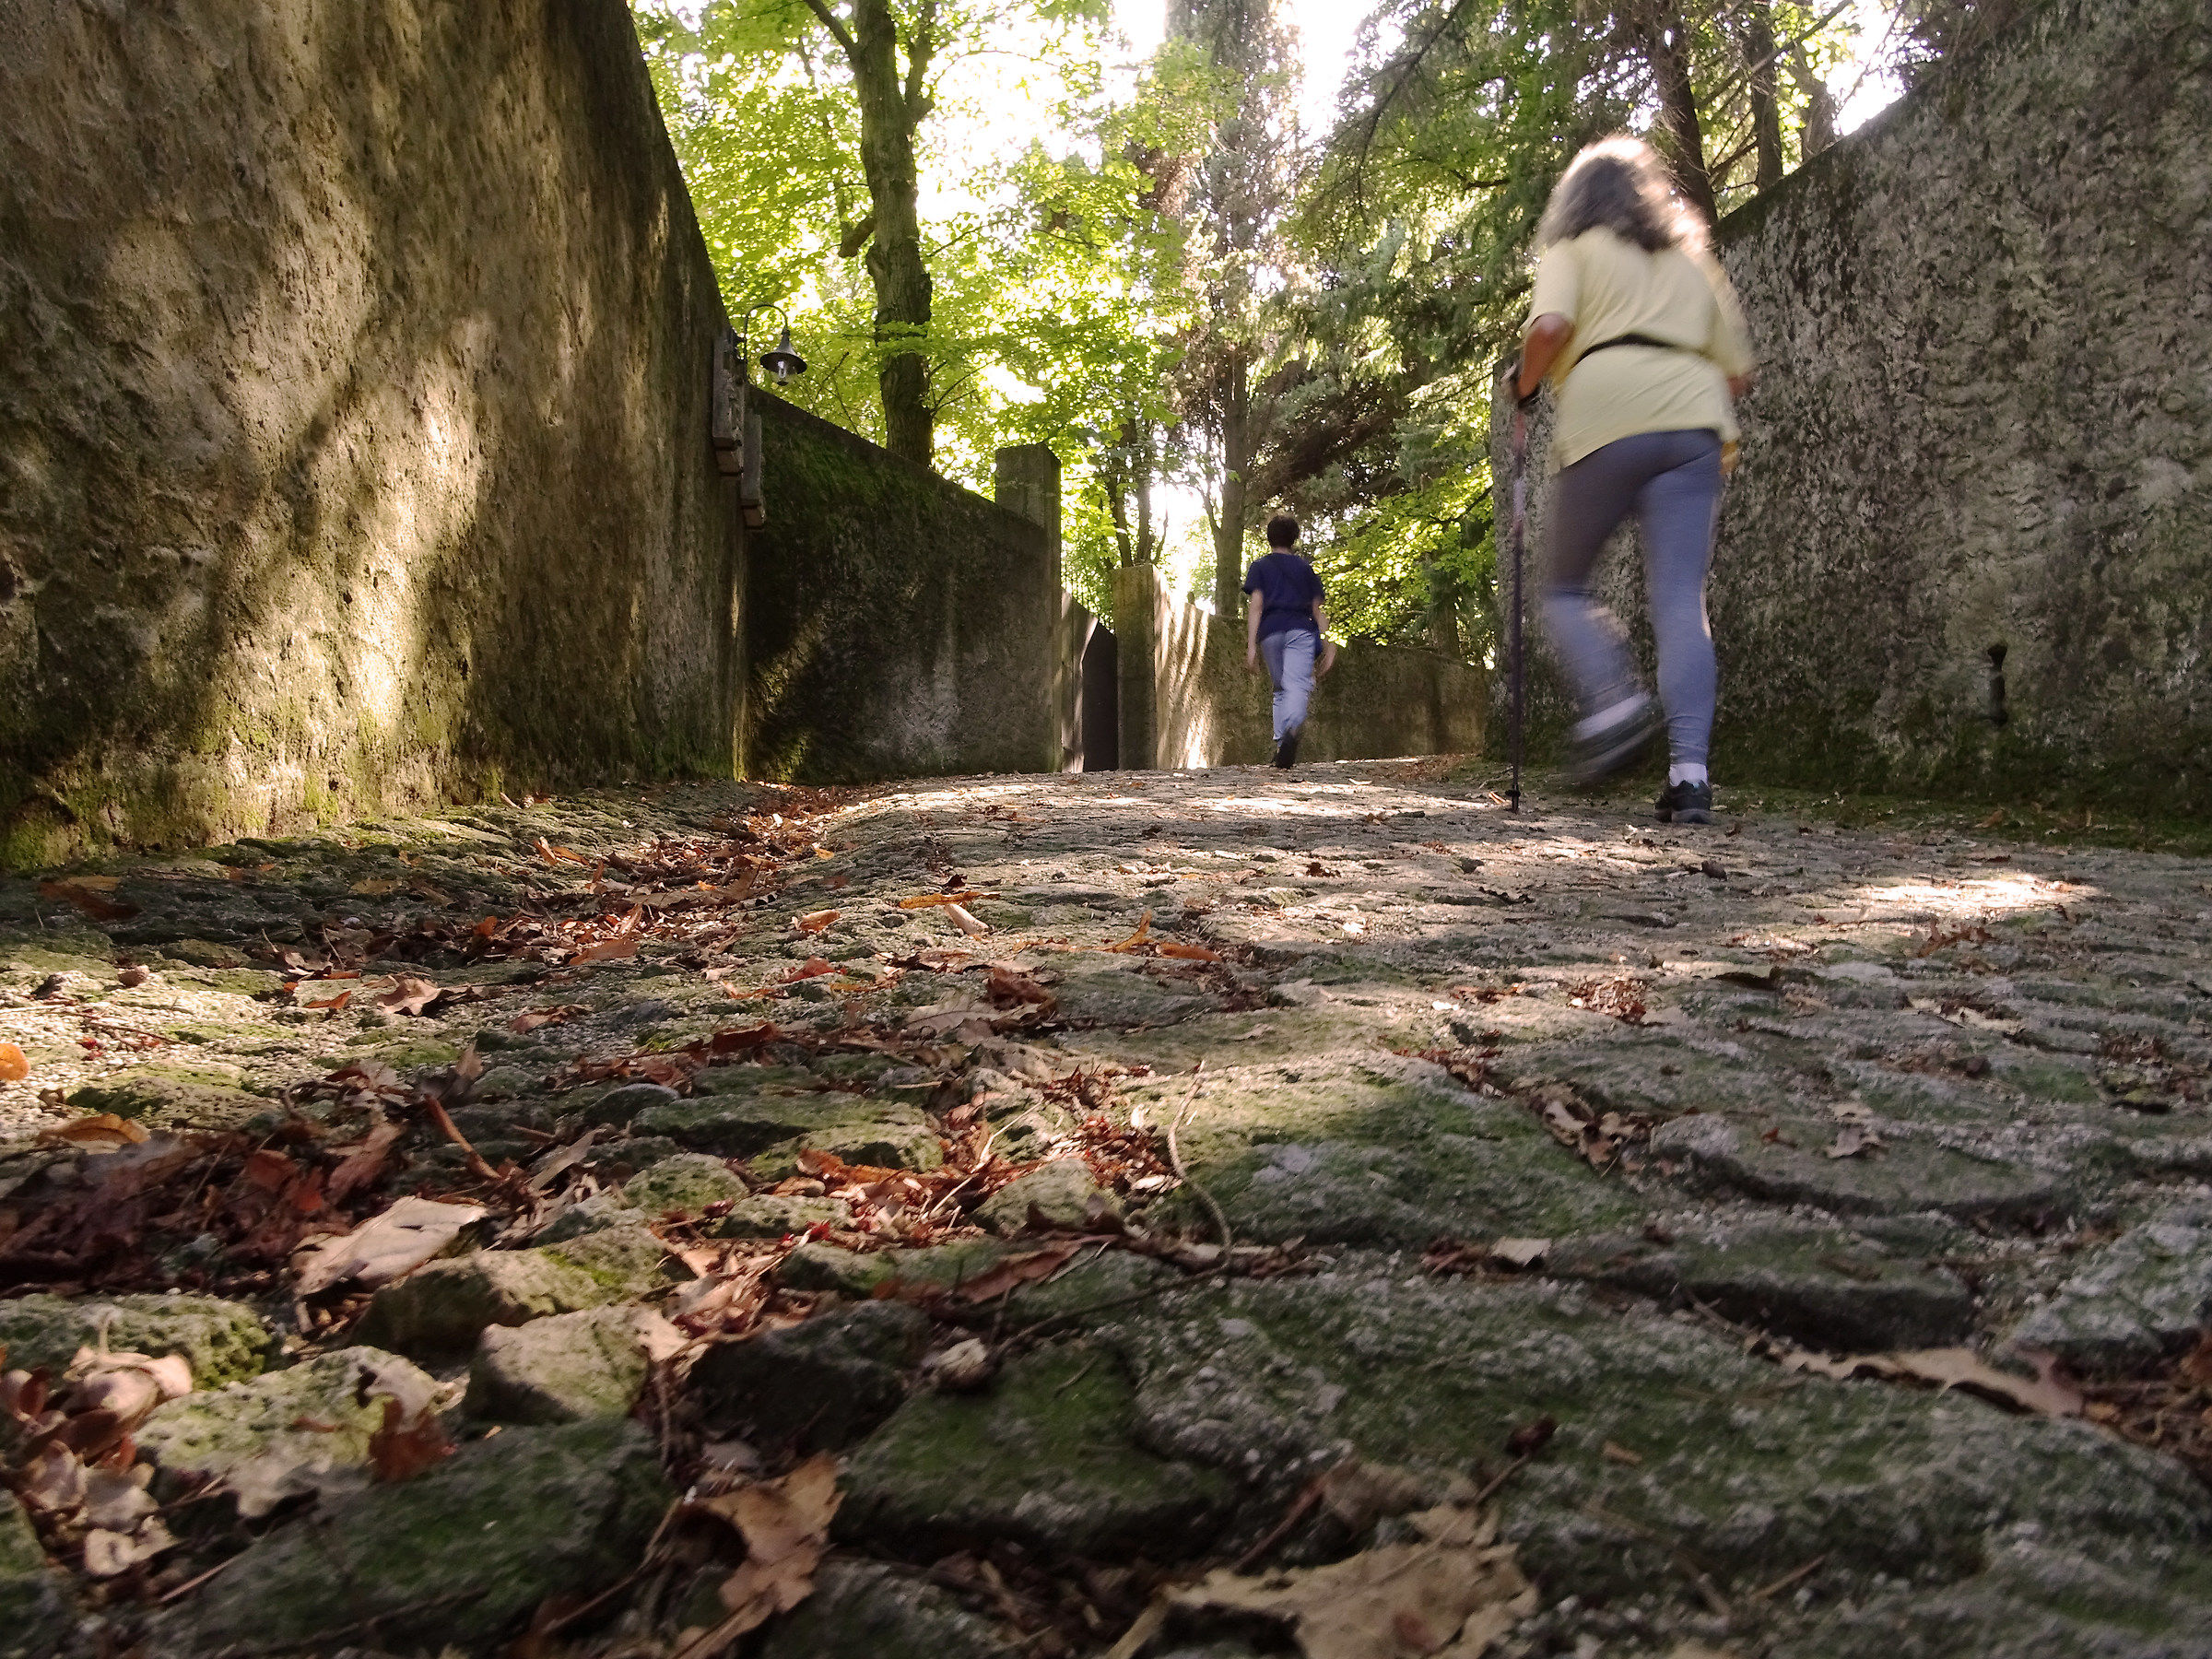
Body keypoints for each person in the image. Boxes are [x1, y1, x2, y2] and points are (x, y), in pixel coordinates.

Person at [1513, 135, 1755, 826]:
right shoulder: (1691, 262)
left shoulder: (1574, 249)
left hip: (1607, 414)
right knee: (1681, 599)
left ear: (1577, 200)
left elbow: (1551, 325)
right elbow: (1737, 371)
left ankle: (1616, 700)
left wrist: (1525, 385)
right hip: (1695, 424)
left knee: (1563, 586)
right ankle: (1690, 776)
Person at [1242, 513, 1337, 769]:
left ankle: (1280, 744)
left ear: (1269, 538)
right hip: (1301, 630)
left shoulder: (1260, 566)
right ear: (1294, 539)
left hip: (1271, 632)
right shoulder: (1305, 569)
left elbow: (1256, 607)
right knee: (1297, 684)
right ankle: (1292, 730)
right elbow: (1318, 611)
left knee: (1281, 688)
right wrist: (1330, 646)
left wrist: (1251, 647)